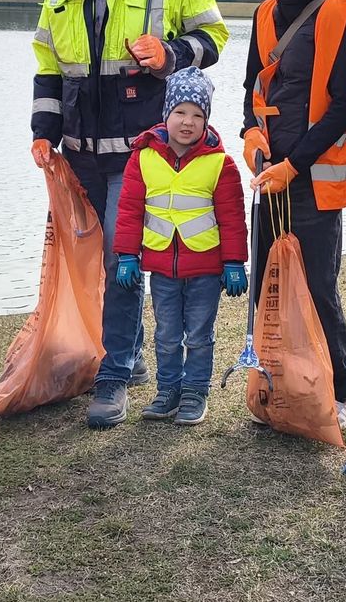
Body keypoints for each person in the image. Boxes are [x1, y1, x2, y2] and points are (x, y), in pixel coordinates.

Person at [30, 0, 229, 429]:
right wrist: (43, 131)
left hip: (142, 151)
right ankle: (134, 355)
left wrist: (169, 54)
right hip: (79, 148)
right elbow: (49, 61)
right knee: (99, 258)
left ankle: (113, 377)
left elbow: (213, 37)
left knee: (122, 256)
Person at [242, 0, 346, 429]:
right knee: (267, 284)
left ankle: (340, 387)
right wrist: (252, 135)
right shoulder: (264, 13)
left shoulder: (339, 10)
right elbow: (253, 87)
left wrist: (295, 163)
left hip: (312, 179)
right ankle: (277, 387)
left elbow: (345, 105)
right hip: (270, 174)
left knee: (317, 285)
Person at [111, 67, 248, 425]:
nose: (187, 122)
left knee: (199, 336)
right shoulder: (142, 157)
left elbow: (233, 217)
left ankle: (194, 392)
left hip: (206, 268)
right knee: (167, 335)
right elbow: (129, 210)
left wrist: (234, 262)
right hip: (162, 269)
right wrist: (127, 255)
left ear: (206, 121)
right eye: (180, 112)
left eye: (197, 115)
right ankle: (168, 390)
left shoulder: (221, 164)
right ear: (166, 114)